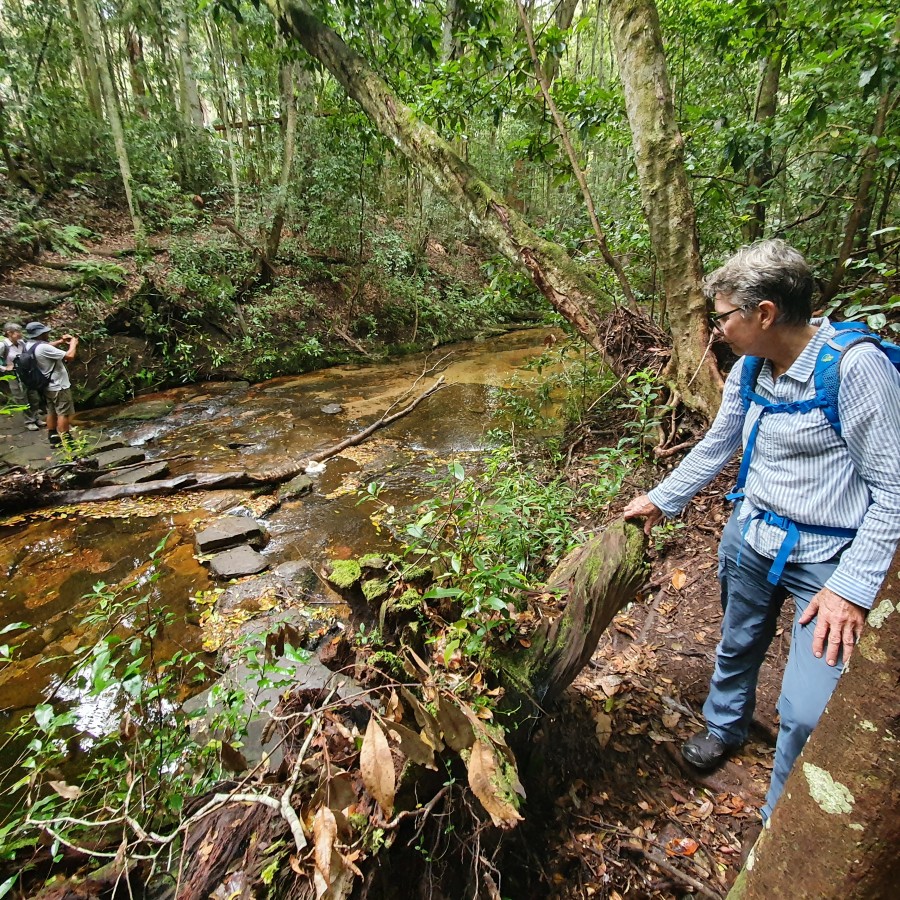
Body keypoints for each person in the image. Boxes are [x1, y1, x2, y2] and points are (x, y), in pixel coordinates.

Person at [623, 239, 900, 821]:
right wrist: (662, 499)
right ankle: (724, 726)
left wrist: (850, 589)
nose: (717, 328)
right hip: (752, 534)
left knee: (808, 710)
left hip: (831, 558)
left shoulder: (855, 369)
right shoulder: (751, 366)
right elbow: (719, 443)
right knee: (738, 641)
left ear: (765, 314)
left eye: (724, 315)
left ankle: (782, 817)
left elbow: (894, 490)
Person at [24, 322, 79, 448]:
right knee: (63, 413)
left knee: (51, 411)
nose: (47, 334)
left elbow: (44, 347)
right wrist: (73, 344)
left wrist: (60, 341)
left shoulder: (29, 345)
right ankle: (68, 442)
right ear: (40, 334)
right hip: (58, 386)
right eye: (45, 332)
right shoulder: (43, 348)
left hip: (45, 385)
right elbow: (69, 356)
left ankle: (53, 438)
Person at [1, 322, 46, 430]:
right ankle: (29, 421)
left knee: (33, 396)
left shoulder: (22, 343)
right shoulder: (3, 345)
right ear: (9, 333)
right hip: (14, 375)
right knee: (21, 398)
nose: (20, 334)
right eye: (17, 332)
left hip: (26, 374)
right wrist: (4, 368)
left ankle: (36, 417)